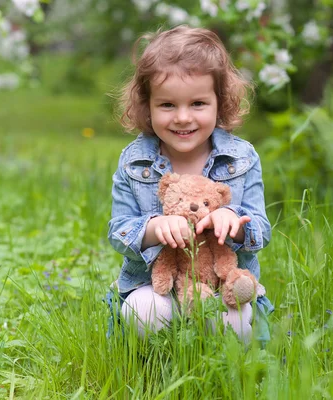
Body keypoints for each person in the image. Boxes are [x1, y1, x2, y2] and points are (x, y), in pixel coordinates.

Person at [106, 25, 273, 344]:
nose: (183, 117)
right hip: (157, 288)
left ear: (219, 102)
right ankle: (158, 365)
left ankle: (216, 372)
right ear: (148, 105)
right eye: (167, 105)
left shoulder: (241, 158)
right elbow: (118, 232)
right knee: (141, 312)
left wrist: (234, 222)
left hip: (225, 290)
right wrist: (154, 228)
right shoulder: (135, 161)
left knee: (234, 323)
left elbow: (261, 231)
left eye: (197, 104)